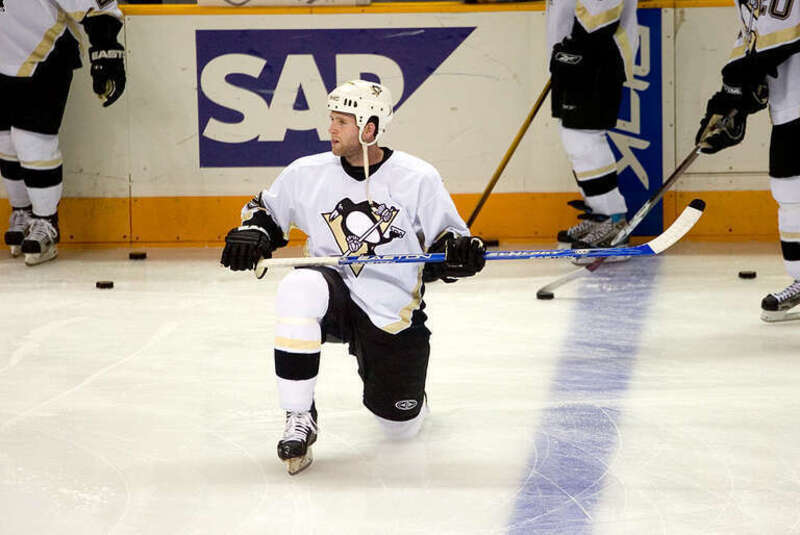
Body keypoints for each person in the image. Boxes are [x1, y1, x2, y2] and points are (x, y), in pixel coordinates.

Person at [220, 80, 486, 474]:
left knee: (400, 429)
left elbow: (447, 241)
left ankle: (407, 399)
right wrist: (254, 234)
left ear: (370, 128)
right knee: (298, 286)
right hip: (334, 291)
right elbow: (267, 214)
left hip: (391, 308)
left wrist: (459, 256)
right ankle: (298, 416)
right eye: (332, 120)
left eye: (341, 122)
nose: (331, 129)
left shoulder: (417, 177)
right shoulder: (307, 172)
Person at [694, 0, 800, 322]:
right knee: (789, 191)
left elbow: (781, 34)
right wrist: (729, 100)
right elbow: (753, 38)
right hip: (790, 101)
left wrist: (738, 86)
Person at [0, 0, 126, 265]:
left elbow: (100, 7)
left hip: (47, 52)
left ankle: (46, 220)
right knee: (5, 140)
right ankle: (22, 212)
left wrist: (106, 50)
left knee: (32, 139)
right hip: (4, 53)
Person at [547, 0, 639, 259]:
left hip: (597, 55)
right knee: (572, 136)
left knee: (583, 137)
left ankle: (613, 221)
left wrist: (574, 49)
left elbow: (600, 14)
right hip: (574, 55)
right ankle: (601, 215)